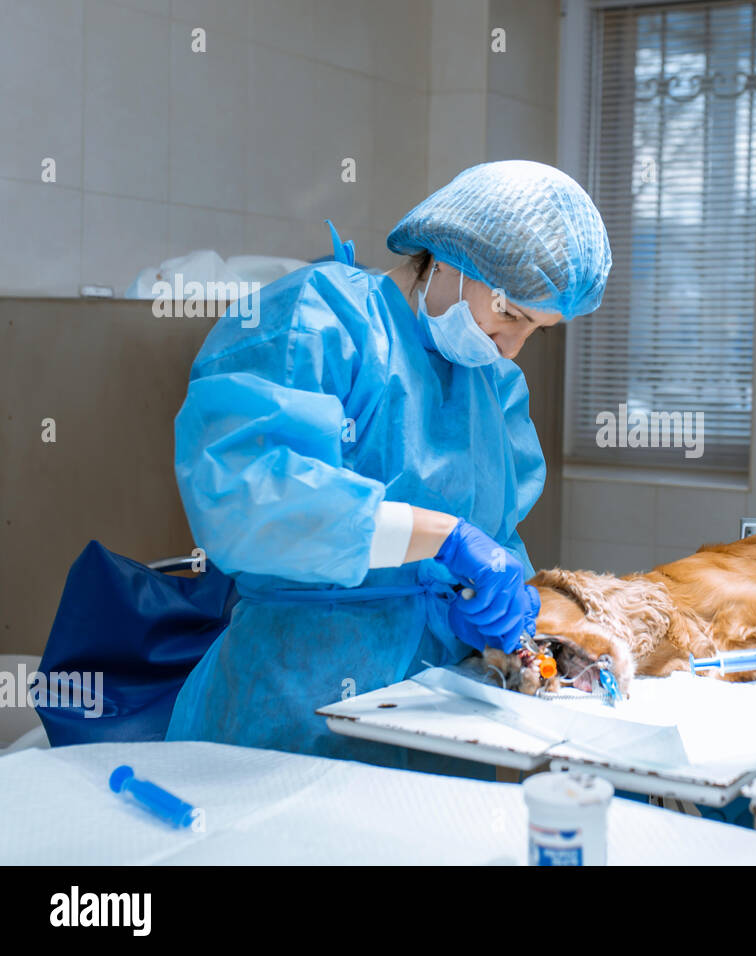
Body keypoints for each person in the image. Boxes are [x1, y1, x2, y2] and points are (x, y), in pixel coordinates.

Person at [165, 160, 612, 771]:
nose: (512, 345)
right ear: (452, 254)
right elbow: (250, 503)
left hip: (443, 717)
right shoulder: (321, 320)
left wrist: (496, 605)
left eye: (536, 329)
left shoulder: (495, 387)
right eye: (511, 314)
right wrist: (442, 538)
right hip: (293, 704)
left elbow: (499, 539)